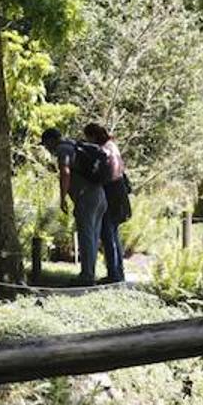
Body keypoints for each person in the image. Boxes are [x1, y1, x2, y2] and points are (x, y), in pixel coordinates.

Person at [42, 126, 108, 286]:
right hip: (99, 195)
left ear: (51, 141)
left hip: (86, 197)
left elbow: (65, 171)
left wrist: (63, 197)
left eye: (45, 144)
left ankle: (87, 276)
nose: (47, 149)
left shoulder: (63, 149)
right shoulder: (74, 144)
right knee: (92, 237)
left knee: (86, 237)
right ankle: (89, 273)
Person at [83, 122, 130, 284]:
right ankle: (118, 271)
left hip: (111, 192)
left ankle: (114, 274)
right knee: (113, 234)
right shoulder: (112, 146)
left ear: (93, 136)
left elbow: (104, 173)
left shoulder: (104, 150)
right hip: (119, 191)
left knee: (108, 234)